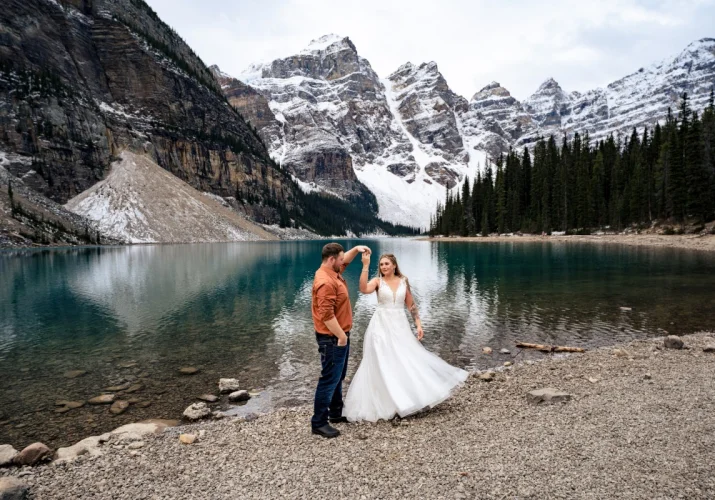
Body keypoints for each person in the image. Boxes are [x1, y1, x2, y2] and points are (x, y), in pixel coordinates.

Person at [342, 252, 468, 422]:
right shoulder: (377, 282)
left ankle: (407, 398)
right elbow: (364, 289)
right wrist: (365, 265)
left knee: (404, 357)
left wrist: (418, 324)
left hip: (400, 324)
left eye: (387, 264)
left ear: (394, 265)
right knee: (382, 359)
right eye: (381, 265)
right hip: (380, 325)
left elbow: (411, 304)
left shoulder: (403, 281)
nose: (384, 267)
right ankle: (388, 402)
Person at [310, 242, 370, 438]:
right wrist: (342, 336)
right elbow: (326, 315)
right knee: (329, 378)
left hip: (338, 336)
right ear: (331, 259)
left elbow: (344, 263)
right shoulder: (326, 282)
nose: (343, 263)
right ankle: (319, 422)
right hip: (333, 338)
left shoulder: (331, 272)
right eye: (341, 259)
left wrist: (357, 249)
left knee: (338, 376)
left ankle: (336, 413)